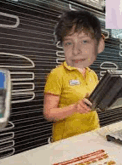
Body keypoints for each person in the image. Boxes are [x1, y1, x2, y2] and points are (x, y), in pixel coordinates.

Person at [43, 10, 105, 142]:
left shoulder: (92, 74)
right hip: (68, 140)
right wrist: (74, 108)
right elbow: (49, 114)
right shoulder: (57, 74)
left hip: (94, 133)